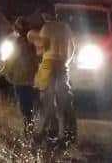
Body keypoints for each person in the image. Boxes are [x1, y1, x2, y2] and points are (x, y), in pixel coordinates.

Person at [29, 9, 77, 147]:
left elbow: (42, 47)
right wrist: (66, 62)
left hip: (47, 65)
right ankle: (63, 136)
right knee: (63, 101)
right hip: (62, 66)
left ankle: (42, 133)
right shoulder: (67, 28)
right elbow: (73, 48)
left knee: (47, 101)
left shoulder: (47, 27)